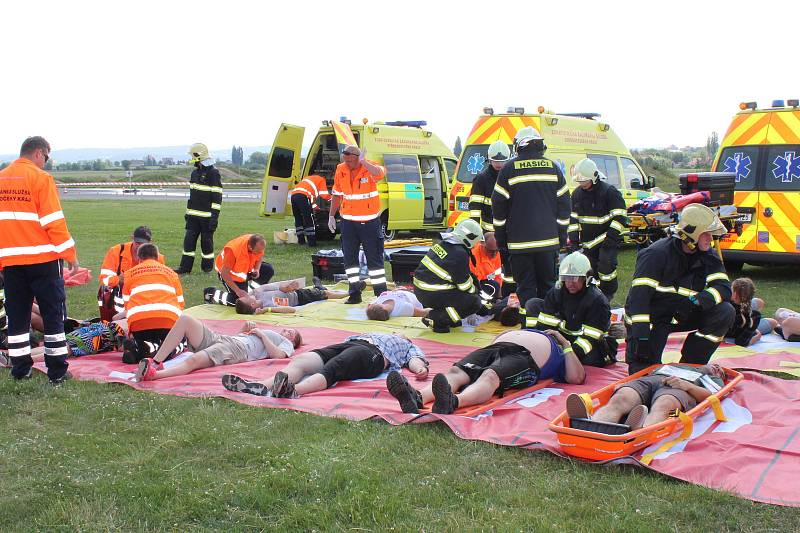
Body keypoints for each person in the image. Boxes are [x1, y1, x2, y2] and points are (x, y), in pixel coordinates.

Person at [0, 136, 79, 383]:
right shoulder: (41, 179)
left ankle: (20, 369)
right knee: (53, 313)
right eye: (47, 157)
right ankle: (57, 371)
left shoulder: (1, 178)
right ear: (38, 153)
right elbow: (53, 221)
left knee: (17, 316)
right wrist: (70, 254)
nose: (46, 162)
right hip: (43, 260)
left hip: (12, 263)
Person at [625, 204, 735, 375]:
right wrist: (641, 336)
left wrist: (695, 302)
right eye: (706, 234)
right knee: (644, 375)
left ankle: (691, 364)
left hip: (682, 314)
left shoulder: (708, 256)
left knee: (725, 312)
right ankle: (644, 358)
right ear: (691, 234)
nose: (710, 239)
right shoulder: (655, 255)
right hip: (653, 319)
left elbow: (724, 289)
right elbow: (638, 301)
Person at [387, 328, 585, 414]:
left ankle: (453, 401)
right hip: (496, 348)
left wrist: (566, 343)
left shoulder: (562, 352)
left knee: (490, 376)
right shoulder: (533, 329)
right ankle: (417, 397)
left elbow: (577, 377)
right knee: (457, 372)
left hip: (525, 358)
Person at [492, 127, 571, 322]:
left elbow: (498, 207)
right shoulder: (553, 168)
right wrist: (561, 237)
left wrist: (501, 239)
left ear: (518, 146)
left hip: (520, 246)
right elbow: (565, 206)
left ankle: (529, 329)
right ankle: (548, 326)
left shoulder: (509, 169)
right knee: (548, 286)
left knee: (525, 288)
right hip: (548, 244)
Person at [221, 332, 428, 398]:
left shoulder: (408, 345)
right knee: (302, 361)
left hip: (373, 355)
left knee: (334, 368)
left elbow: (415, 360)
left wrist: (420, 369)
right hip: (353, 343)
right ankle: (260, 385)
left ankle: (293, 391)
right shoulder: (376, 333)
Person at [135, 315, 301, 381]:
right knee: (185, 320)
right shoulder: (272, 335)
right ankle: (156, 361)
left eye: (291, 332)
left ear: (293, 340)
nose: (287, 330)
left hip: (237, 349)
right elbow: (240, 340)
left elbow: (278, 356)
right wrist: (245, 330)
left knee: (194, 360)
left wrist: (262, 335)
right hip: (227, 340)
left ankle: (154, 375)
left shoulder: (285, 343)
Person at [566, 364, 726, 431]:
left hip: (680, 391)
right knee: (621, 397)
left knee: (665, 406)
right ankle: (590, 424)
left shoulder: (711, 378)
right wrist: (627, 384)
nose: (717, 367)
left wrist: (688, 386)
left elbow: (712, 397)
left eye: (720, 370)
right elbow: (645, 376)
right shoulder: (675, 366)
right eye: (716, 365)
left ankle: (639, 431)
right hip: (651, 381)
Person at [526, 252, 618, 367]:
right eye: (566, 277)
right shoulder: (557, 292)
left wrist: (567, 355)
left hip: (586, 344)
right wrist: (542, 347)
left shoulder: (597, 302)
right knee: (533, 304)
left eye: (574, 278)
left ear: (587, 278)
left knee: (590, 361)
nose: (570, 283)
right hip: (564, 337)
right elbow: (544, 325)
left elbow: (589, 340)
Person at [328, 144, 387, 304]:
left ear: (357, 157)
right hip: (348, 223)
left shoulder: (369, 167)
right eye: (345, 160)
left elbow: (380, 173)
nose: (348, 163)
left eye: (350, 160)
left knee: (374, 259)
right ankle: (354, 292)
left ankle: (381, 296)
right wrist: (331, 215)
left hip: (369, 223)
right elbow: (337, 194)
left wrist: (363, 162)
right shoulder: (341, 169)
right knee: (350, 260)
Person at [567, 158, 627, 302]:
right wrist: (574, 243)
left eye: (584, 181)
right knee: (587, 271)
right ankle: (591, 297)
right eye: (579, 181)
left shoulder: (609, 192)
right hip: (588, 244)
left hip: (607, 241)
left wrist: (611, 238)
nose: (582, 184)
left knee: (606, 267)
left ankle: (607, 295)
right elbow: (573, 221)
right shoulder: (576, 195)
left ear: (594, 177)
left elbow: (620, 217)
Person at [413, 219, 485, 333]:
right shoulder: (459, 254)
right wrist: (476, 291)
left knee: (461, 298)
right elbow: (464, 286)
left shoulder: (446, 243)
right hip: (431, 292)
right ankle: (436, 319)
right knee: (473, 302)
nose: (476, 245)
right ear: (470, 238)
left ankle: (447, 318)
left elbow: (457, 271)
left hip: (421, 289)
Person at [119, 244, 185, 363]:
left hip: (139, 323)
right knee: (179, 344)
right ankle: (157, 350)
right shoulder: (171, 273)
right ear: (157, 257)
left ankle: (138, 348)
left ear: (139, 258)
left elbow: (127, 303)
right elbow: (180, 302)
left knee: (148, 341)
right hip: (167, 321)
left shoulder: (129, 274)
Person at [469, 141, 515, 296]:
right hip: (489, 234)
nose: (499, 164)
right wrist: (477, 234)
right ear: (489, 160)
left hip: (508, 231)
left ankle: (507, 294)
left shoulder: (511, 178)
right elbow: (475, 209)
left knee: (508, 267)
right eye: (496, 161)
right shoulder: (482, 179)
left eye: (502, 161)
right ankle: (491, 291)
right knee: (489, 266)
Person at [174, 143, 223, 274]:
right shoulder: (194, 173)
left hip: (207, 218)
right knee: (188, 242)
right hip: (193, 217)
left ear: (198, 156)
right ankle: (184, 268)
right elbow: (192, 197)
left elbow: (217, 198)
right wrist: (188, 213)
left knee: (206, 243)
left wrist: (214, 217)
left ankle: (207, 268)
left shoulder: (213, 173)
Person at [97, 226, 164, 320]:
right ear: (132, 238)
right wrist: (119, 280)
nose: (139, 247)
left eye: (143, 244)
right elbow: (104, 280)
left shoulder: (157, 258)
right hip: (120, 293)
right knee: (105, 290)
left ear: (150, 242)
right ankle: (112, 320)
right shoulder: (116, 251)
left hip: (143, 293)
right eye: (137, 243)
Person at [212, 234, 275, 302]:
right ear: (250, 247)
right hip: (230, 275)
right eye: (257, 252)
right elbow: (224, 274)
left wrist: (257, 269)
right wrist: (238, 291)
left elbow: (259, 257)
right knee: (240, 301)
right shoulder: (233, 251)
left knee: (268, 270)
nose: (260, 253)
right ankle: (212, 294)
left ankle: (252, 292)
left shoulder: (258, 244)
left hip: (245, 271)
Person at [232, 279, 349, 314]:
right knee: (325, 295)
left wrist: (285, 288)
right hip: (299, 298)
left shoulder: (258, 293)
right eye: (246, 297)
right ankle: (348, 294)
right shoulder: (267, 307)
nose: (248, 295)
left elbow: (276, 286)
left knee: (317, 292)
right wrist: (267, 310)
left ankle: (319, 287)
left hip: (294, 291)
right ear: (252, 304)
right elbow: (292, 309)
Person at [726, 277, 773, 346]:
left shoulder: (724, 303)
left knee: (758, 302)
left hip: (731, 327)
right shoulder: (755, 316)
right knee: (772, 322)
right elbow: (741, 342)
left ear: (734, 294)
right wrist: (756, 337)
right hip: (734, 333)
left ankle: (754, 324)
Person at [290, 174, 331, 246]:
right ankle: (312, 242)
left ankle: (301, 241)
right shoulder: (321, 179)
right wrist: (335, 200)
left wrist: (317, 208)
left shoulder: (308, 179)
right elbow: (324, 195)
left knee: (298, 218)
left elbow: (311, 201)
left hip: (293, 196)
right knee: (308, 218)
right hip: (303, 196)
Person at [470, 232, 503, 304]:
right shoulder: (474, 256)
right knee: (493, 287)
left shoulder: (496, 252)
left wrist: (499, 298)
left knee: (495, 286)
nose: (494, 254)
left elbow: (498, 275)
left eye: (496, 251)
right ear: (483, 245)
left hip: (485, 280)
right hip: (474, 285)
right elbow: (475, 283)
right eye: (491, 251)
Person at [366, 289, 430, 321]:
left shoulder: (378, 302)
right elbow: (423, 312)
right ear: (381, 306)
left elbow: (369, 306)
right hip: (419, 296)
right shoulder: (402, 308)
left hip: (401, 291)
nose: (370, 305)